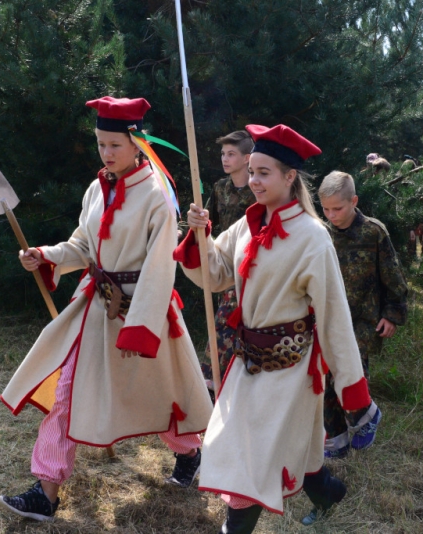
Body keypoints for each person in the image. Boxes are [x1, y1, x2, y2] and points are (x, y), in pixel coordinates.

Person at [0, 96, 213, 522]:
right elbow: (83, 245)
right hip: (94, 310)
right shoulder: (96, 188)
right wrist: (46, 255)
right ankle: (46, 492)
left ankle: (189, 454)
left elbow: (160, 267)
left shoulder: (156, 196)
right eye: (100, 143)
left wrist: (140, 327)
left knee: (162, 394)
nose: (106, 153)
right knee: (66, 393)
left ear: (137, 143)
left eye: (114, 144)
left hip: (143, 314)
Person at [175, 124, 378, 533]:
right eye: (251, 171)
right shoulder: (247, 226)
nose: (253, 181)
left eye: (263, 173)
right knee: (278, 450)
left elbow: (334, 317)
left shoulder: (313, 238)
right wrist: (200, 236)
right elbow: (216, 274)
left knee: (255, 461)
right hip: (246, 362)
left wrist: (352, 388)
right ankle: (327, 492)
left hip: (291, 371)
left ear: (290, 177)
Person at [317, 171, 408, 458]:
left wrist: (392, 313)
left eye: (337, 208)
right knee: (325, 379)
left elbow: (393, 276)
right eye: (326, 209)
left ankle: (364, 417)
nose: (331, 215)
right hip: (328, 318)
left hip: (363, 321)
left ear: (354, 201)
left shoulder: (373, 232)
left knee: (351, 374)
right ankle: (336, 439)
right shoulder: (321, 233)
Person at [201, 130, 256, 393]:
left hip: (252, 267)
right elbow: (207, 220)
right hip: (225, 265)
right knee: (225, 322)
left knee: (229, 322)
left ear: (247, 158)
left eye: (231, 154)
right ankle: (215, 383)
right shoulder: (220, 188)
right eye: (223, 154)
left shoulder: (259, 189)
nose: (224, 159)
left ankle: (214, 380)